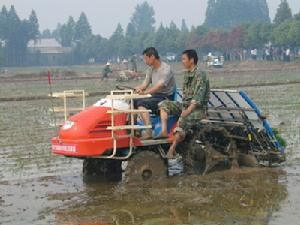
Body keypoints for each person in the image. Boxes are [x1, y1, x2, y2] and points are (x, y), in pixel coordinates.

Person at [158, 49, 210, 159]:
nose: (182, 61)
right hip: (186, 106)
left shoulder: (200, 75)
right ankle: (163, 131)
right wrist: (184, 109)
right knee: (164, 104)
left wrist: (187, 111)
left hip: (197, 109)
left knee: (182, 120)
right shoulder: (187, 74)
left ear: (191, 60)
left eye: (184, 59)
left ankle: (172, 149)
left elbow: (198, 97)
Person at [135, 47, 176, 140]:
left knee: (142, 103)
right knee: (133, 100)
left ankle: (148, 131)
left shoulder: (166, 69)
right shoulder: (150, 69)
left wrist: (144, 93)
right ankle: (134, 129)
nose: (145, 61)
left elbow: (159, 87)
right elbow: (144, 84)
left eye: (146, 58)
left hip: (165, 96)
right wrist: (137, 89)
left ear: (152, 57)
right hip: (154, 96)